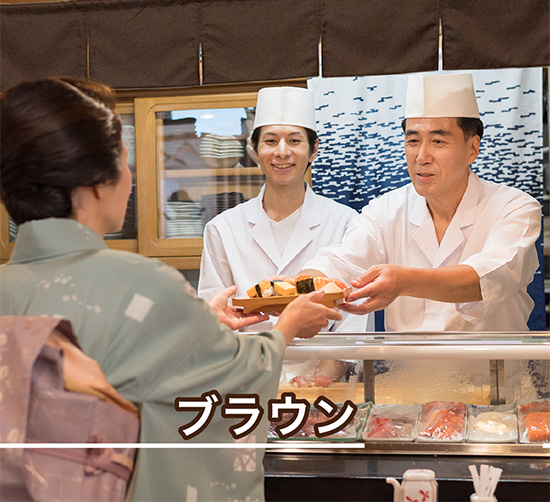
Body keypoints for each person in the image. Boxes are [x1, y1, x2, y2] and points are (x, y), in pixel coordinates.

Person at [0, 77, 342, 502]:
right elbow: (232, 380)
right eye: (125, 162)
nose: (130, 177)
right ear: (95, 181)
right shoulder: (144, 285)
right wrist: (285, 328)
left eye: (294, 140)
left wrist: (200, 324)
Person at [301, 73, 541, 331]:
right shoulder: (386, 209)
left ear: (473, 148)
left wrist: (404, 281)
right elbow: (342, 262)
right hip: (404, 371)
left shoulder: (515, 207)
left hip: (493, 370)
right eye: (413, 141)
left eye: (438, 141)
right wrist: (297, 287)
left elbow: (489, 277)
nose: (422, 156)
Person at [198, 86, 371, 333]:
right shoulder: (222, 229)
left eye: (294, 141)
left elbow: (353, 322)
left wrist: (323, 374)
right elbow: (214, 321)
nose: (281, 152)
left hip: (322, 366)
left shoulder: (346, 223)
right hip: (249, 367)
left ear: (314, 150)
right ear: (254, 149)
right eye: (270, 141)